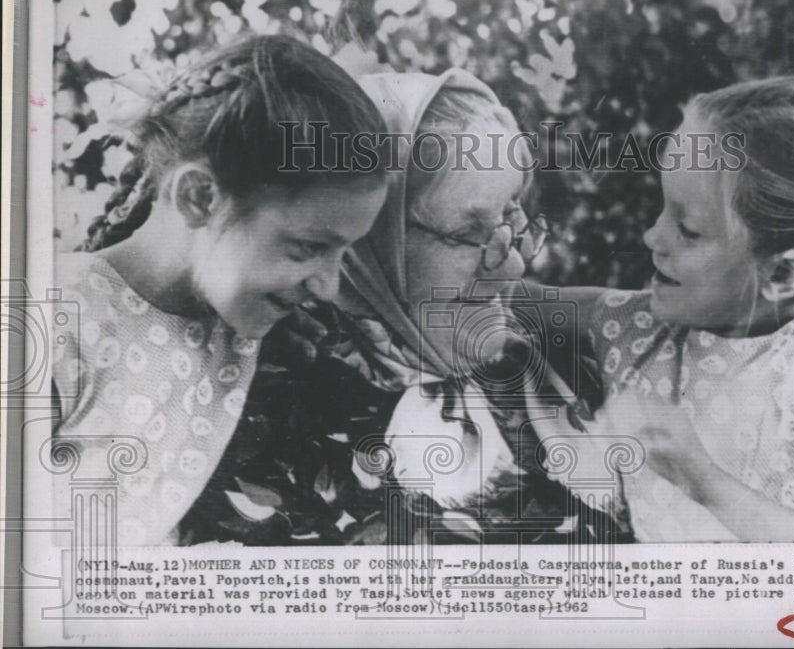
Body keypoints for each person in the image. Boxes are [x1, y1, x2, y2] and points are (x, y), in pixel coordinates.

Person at [179, 68, 613, 546]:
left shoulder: (554, 358)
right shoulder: (251, 431)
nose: (510, 264)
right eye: (468, 235)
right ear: (369, 244)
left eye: (511, 215)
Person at [532, 76, 794, 542]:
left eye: (687, 229)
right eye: (662, 208)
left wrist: (703, 482)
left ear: (782, 275)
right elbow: (498, 300)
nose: (654, 237)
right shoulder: (632, 327)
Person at [49, 35, 389, 545]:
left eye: (343, 253)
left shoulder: (247, 323)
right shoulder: (56, 313)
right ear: (200, 197)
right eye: (308, 247)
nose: (328, 285)